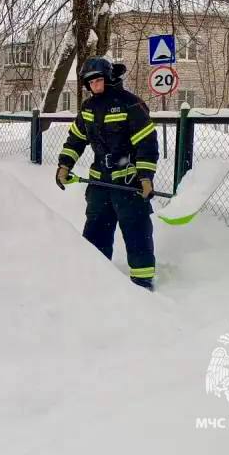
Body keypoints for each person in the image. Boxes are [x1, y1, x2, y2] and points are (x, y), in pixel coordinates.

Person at [55, 58, 160, 291]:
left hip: (128, 183)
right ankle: (94, 279)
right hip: (99, 184)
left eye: (98, 80)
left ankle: (143, 282)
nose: (95, 85)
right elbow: (76, 139)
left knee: (137, 232)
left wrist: (145, 177)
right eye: (90, 82)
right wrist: (65, 165)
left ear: (109, 78)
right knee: (95, 233)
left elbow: (146, 143)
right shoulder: (88, 108)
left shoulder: (130, 104)